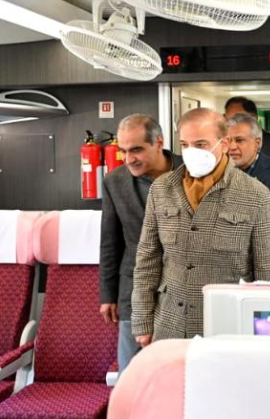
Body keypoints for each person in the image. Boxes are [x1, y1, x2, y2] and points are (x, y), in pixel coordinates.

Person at [131, 108, 270, 346]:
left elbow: (268, 273)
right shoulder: (161, 189)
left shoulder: (255, 194)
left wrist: (265, 330)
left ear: (224, 144)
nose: (192, 152)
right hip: (170, 324)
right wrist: (142, 322)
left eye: (201, 144)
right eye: (185, 144)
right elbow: (147, 260)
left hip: (229, 326)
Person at [100, 114, 182, 374]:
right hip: (134, 288)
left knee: (178, 373)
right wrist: (108, 294)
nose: (128, 159)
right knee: (132, 374)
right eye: (122, 151)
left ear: (158, 142)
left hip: (185, 286)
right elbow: (110, 241)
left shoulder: (192, 173)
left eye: (136, 149)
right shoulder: (115, 182)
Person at [227, 113, 270, 219]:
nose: (232, 147)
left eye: (239, 140)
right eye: (228, 141)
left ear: (257, 143)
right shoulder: (217, 172)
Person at [224, 96, 270, 170]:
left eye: (238, 118)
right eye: (228, 120)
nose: (232, 124)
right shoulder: (222, 146)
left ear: (254, 117)